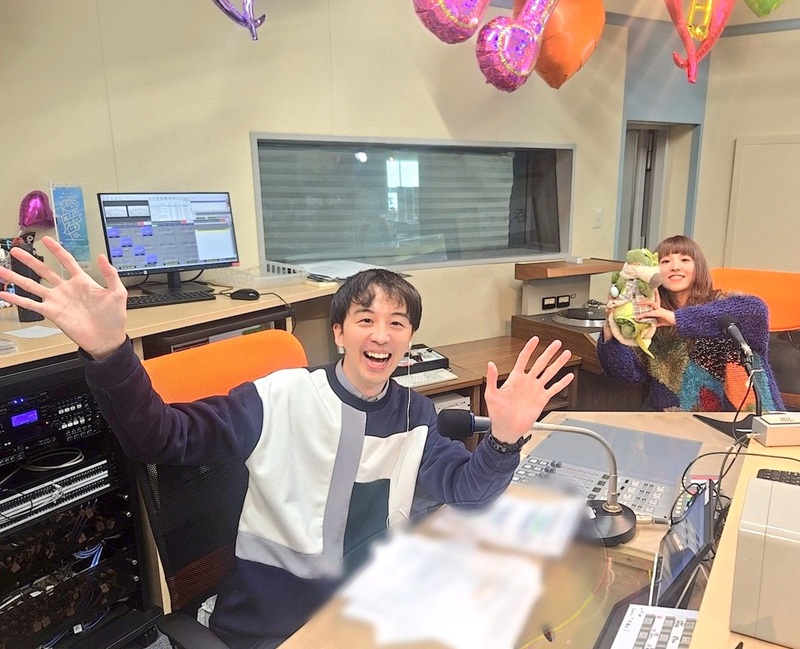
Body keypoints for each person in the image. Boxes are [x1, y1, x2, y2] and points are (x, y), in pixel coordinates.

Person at [0, 236, 575, 649]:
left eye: (398, 323)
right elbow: (159, 437)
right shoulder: (279, 397)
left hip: (368, 613)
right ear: (339, 332)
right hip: (274, 625)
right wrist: (110, 352)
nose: (381, 333)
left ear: (409, 340)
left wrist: (504, 439)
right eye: (365, 319)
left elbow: (468, 491)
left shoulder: (414, 413)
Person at [598, 235, 784, 412]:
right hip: (675, 424)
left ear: (698, 268)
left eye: (684, 260)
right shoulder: (650, 319)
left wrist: (676, 319)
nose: (675, 267)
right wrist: (611, 327)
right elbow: (628, 374)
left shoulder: (723, 304)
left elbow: (757, 310)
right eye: (665, 261)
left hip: (744, 419)